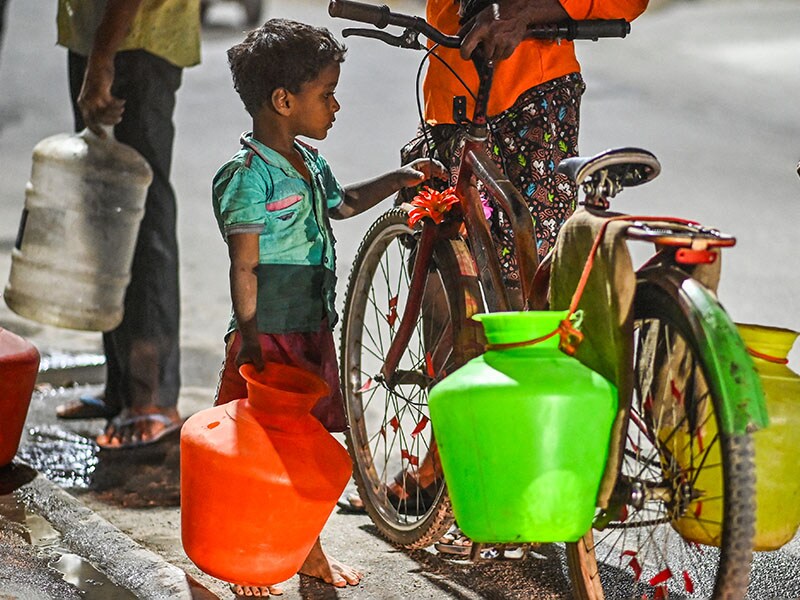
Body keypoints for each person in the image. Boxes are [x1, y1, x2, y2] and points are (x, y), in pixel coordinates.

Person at [341, 0, 649, 555]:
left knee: (522, 298)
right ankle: (453, 467)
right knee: (440, 281)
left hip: (528, 95)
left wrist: (528, 11)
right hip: (452, 88)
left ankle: (516, 469)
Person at [212, 18, 447, 596]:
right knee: (258, 447)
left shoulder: (310, 163)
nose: (337, 106)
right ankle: (249, 552)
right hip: (269, 334)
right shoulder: (246, 180)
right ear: (283, 100)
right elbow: (244, 265)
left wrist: (400, 178)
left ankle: (302, 549)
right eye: (327, 94)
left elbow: (341, 206)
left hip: (312, 328)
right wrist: (249, 339)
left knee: (312, 445)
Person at [53, 0, 200, 448]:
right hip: (101, 36)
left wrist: (102, 58)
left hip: (134, 40)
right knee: (111, 218)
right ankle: (122, 387)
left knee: (142, 217)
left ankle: (151, 399)